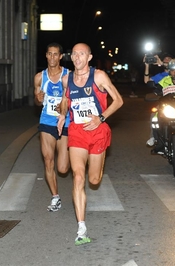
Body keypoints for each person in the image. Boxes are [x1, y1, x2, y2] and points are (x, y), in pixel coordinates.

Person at [57, 43, 123, 246]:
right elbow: (65, 100)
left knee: (93, 180)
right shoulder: (67, 79)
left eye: (81, 54)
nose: (77, 57)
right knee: (77, 176)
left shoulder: (99, 76)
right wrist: (61, 115)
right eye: (74, 53)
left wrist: (100, 118)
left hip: (98, 130)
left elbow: (118, 100)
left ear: (89, 57)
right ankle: (81, 227)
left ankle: (95, 171)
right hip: (76, 131)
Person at [34, 43, 70, 212]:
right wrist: (38, 98)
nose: (53, 57)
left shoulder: (68, 75)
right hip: (47, 121)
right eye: (50, 54)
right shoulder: (39, 77)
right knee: (48, 161)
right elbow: (37, 101)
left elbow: (72, 99)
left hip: (66, 123)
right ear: (46, 56)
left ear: (60, 56)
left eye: (56, 54)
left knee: (63, 168)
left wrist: (64, 107)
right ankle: (55, 197)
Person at [144, 53, 172, 146]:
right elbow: (146, 81)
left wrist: (161, 63)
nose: (167, 61)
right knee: (154, 115)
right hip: (165, 102)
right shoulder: (160, 76)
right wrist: (147, 65)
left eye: (169, 60)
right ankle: (153, 136)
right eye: (165, 60)